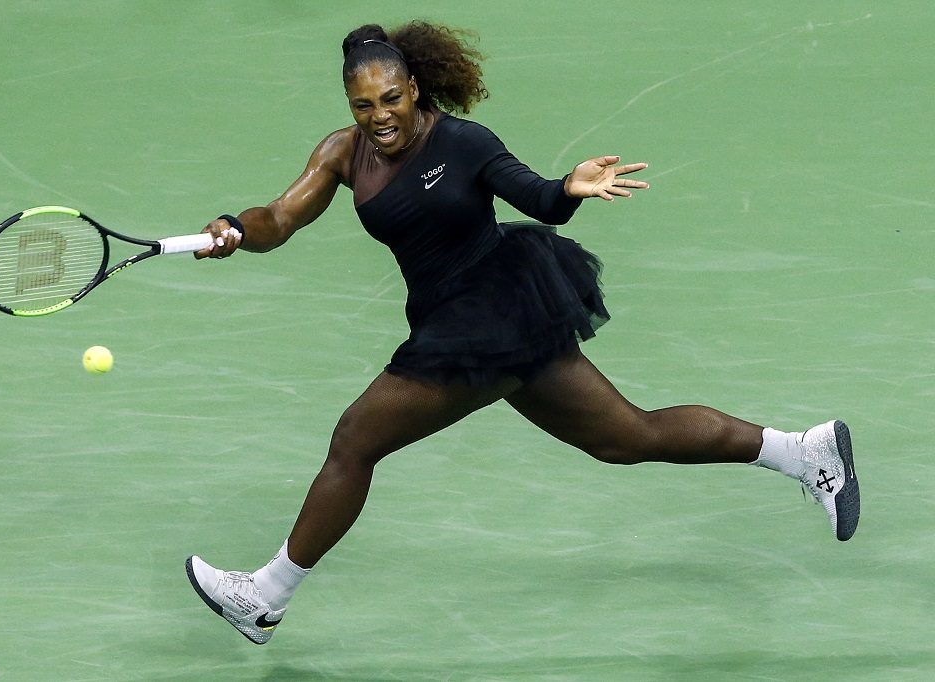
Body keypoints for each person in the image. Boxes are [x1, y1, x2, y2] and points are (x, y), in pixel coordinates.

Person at [184, 20, 860, 645]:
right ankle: (802, 453)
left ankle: (265, 596)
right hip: (473, 320)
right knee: (625, 437)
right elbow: (279, 215)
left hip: (491, 310)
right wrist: (237, 231)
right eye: (364, 106)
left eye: (391, 99)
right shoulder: (342, 153)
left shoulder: (464, 142)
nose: (380, 117)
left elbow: (538, 198)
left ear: (414, 88)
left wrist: (571, 186)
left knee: (354, 442)